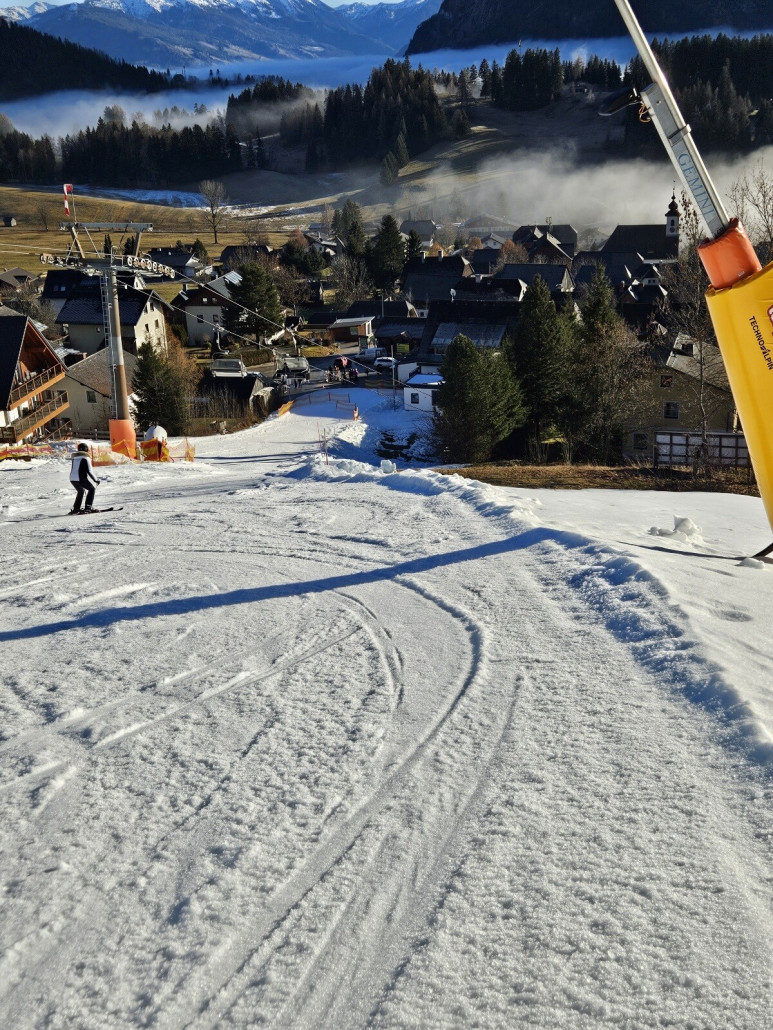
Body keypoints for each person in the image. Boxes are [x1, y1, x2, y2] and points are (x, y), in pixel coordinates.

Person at [69, 442, 99, 513]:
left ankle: (76, 508)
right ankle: (88, 507)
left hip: (72, 478)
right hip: (80, 478)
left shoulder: (74, 458)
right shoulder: (86, 458)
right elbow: (89, 470)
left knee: (81, 491)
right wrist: (96, 480)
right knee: (92, 489)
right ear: (86, 449)